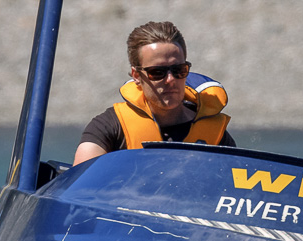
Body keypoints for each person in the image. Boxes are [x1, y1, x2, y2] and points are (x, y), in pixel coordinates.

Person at [74, 21, 234, 164]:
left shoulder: (217, 137)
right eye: (157, 72)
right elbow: (79, 188)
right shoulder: (109, 126)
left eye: (179, 70)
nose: (170, 79)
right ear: (136, 75)